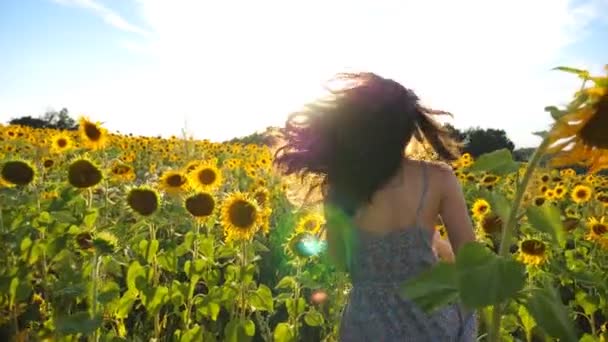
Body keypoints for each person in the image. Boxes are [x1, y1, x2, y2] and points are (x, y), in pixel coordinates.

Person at [274, 72, 478, 341]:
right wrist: (436, 246)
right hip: (430, 322)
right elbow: (470, 260)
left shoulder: (340, 187)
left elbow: (339, 259)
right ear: (408, 130)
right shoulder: (439, 177)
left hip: (367, 325)